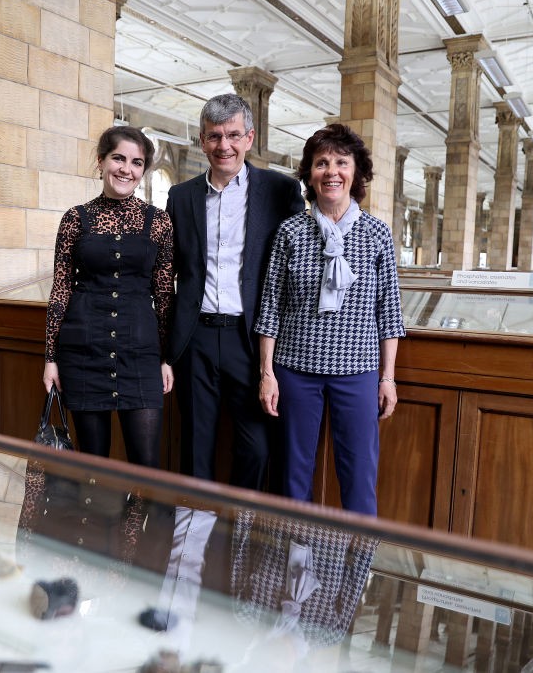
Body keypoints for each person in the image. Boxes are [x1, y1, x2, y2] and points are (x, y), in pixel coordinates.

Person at [254, 123, 405, 514]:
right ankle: (295, 552)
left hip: (357, 372)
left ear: (356, 173)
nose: (331, 171)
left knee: (359, 475)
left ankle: (359, 553)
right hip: (294, 370)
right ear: (309, 174)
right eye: (322, 163)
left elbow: (389, 312)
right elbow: (270, 307)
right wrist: (267, 373)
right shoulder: (290, 232)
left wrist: (387, 378)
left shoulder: (377, 233)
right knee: (292, 474)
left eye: (341, 162)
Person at [165, 93, 306, 490]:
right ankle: (196, 523)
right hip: (195, 337)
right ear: (202, 140)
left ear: (249, 138)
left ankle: (241, 524)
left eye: (232, 135)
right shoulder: (180, 196)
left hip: (251, 337)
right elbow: (167, 268)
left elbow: (299, 261)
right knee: (196, 446)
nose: (223, 145)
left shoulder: (280, 190)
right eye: (213, 136)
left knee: (257, 447)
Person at [43, 125, 174, 468]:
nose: (126, 169)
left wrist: (167, 358)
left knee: (146, 468)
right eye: (118, 158)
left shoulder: (159, 222)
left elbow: (164, 294)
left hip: (141, 353)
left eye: (136, 162)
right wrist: (50, 358)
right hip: (84, 352)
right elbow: (61, 289)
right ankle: (96, 509)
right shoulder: (75, 219)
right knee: (93, 468)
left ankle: (136, 510)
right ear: (101, 161)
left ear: (143, 170)